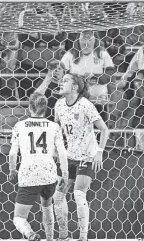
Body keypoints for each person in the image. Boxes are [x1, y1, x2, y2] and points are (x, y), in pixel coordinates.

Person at [53, 73, 109, 241]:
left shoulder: (85, 105)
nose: (61, 83)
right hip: (69, 156)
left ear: (75, 87)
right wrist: (57, 150)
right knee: (58, 196)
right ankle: (63, 236)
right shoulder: (58, 105)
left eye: (65, 81)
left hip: (87, 156)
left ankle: (83, 238)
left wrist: (99, 151)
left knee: (78, 194)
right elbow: (57, 131)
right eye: (61, 80)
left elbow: (104, 130)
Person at [9, 92, 69, 241]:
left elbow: (12, 154)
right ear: (46, 109)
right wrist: (65, 174)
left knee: (19, 218)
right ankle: (50, 238)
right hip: (49, 175)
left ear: (30, 107)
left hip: (28, 175)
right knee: (47, 207)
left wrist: (12, 170)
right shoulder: (54, 127)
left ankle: (30, 234)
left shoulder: (19, 126)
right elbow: (62, 153)